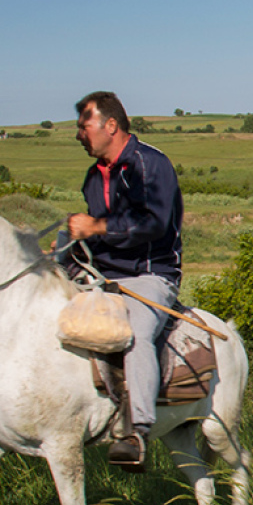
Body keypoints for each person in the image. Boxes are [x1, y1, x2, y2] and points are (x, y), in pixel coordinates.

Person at [70, 91, 183, 468]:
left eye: (83, 126)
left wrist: (95, 226)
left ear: (110, 125)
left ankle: (137, 431)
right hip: (105, 275)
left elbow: (154, 224)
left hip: (151, 275)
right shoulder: (93, 176)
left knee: (133, 331)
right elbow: (98, 235)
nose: (78, 135)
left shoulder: (149, 164)